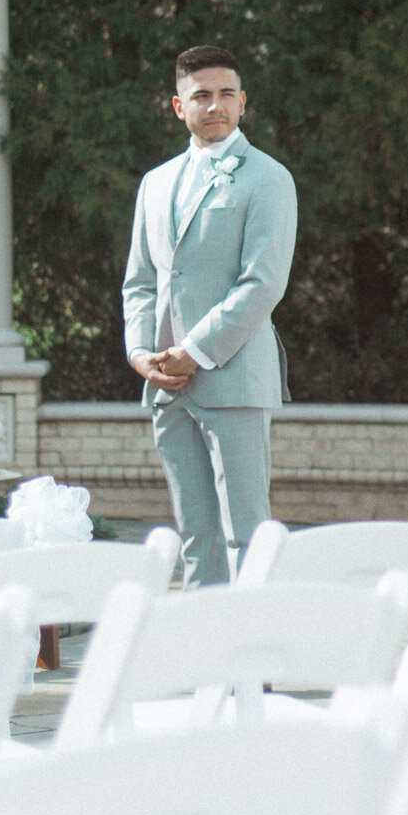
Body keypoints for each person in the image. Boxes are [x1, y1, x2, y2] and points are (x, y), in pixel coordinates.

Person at [122, 45, 297, 587]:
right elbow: (141, 281)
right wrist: (140, 354)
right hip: (167, 385)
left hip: (234, 377)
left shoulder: (268, 178)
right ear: (180, 106)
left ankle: (253, 642)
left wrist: (193, 352)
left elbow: (263, 283)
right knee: (195, 536)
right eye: (201, 95)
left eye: (226, 94)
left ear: (243, 102)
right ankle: (205, 640)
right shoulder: (155, 183)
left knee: (247, 531)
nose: (215, 105)